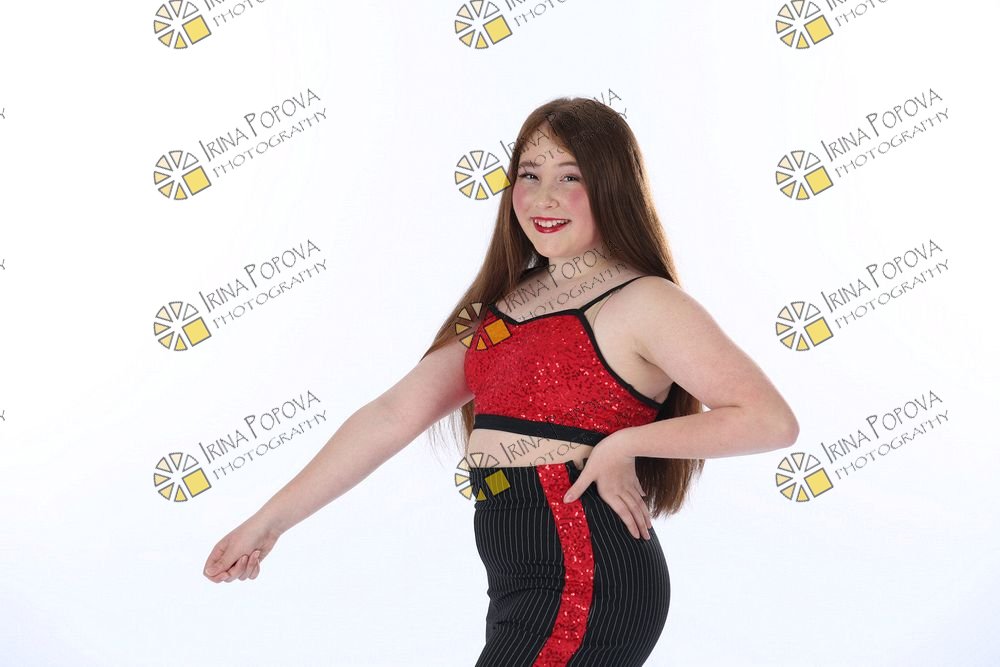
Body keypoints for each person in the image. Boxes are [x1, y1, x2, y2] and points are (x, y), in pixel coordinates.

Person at [203, 97, 799, 666]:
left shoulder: (646, 301)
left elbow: (768, 420)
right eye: (529, 175)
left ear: (612, 186)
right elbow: (391, 415)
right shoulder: (501, 307)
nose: (544, 196)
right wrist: (268, 522)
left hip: (586, 573)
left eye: (570, 177)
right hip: (517, 576)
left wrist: (625, 444)